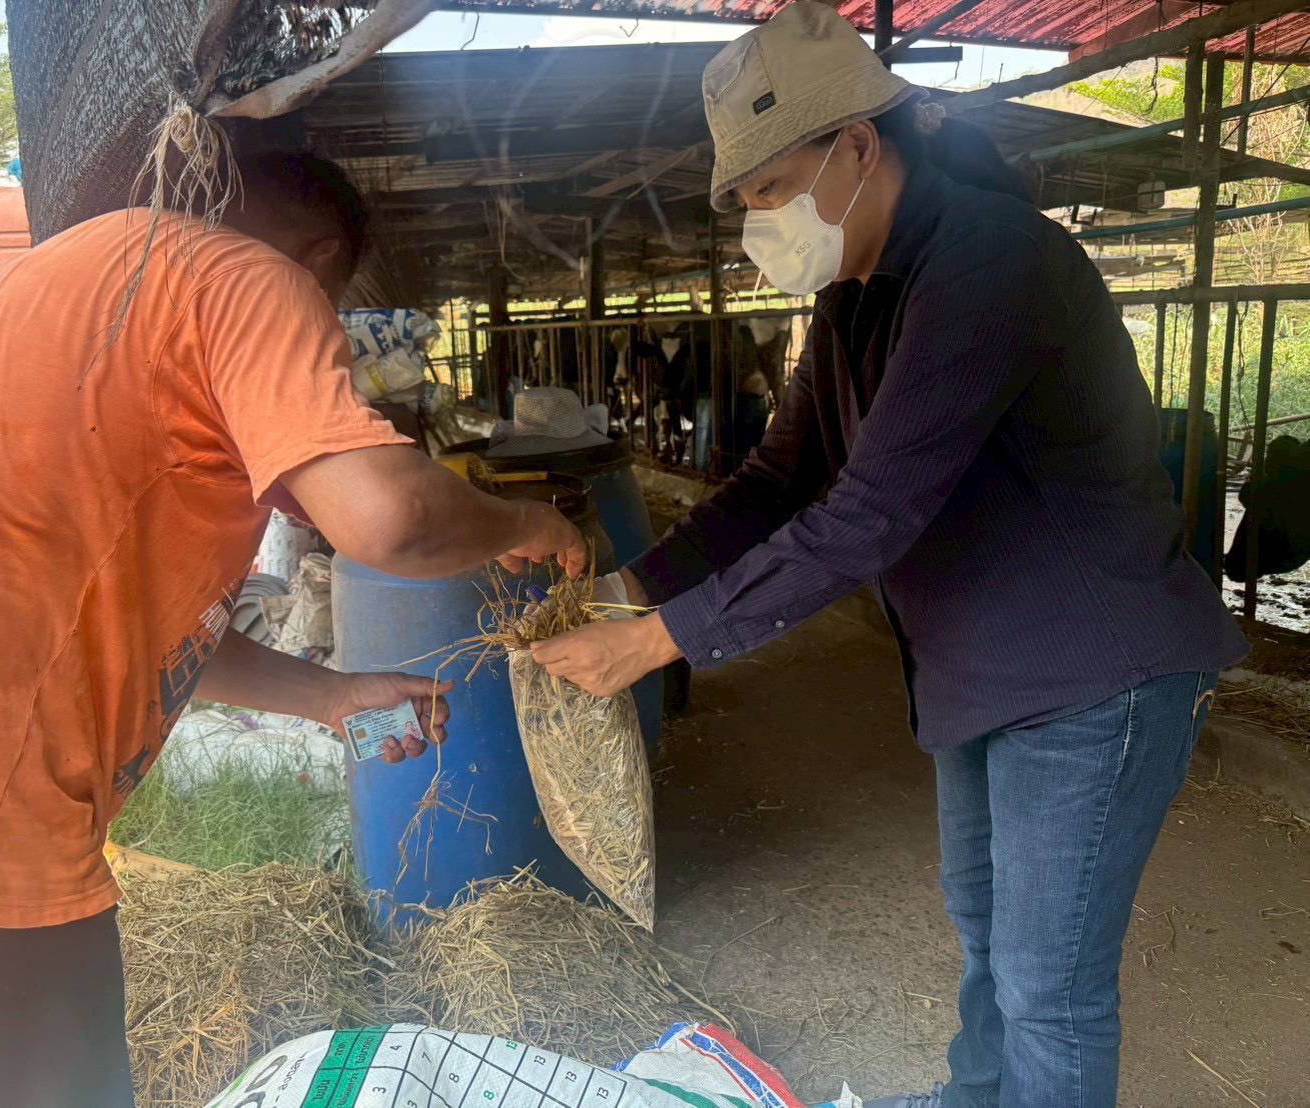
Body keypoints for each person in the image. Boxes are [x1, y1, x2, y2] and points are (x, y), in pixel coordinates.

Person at [529, 6, 1246, 1106]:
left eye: (771, 189)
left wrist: (657, 641)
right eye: (747, 202)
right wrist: (630, 589)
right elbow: (777, 481)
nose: (760, 224)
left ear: (858, 148)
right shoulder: (854, 301)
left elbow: (865, 514)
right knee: (985, 934)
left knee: (1047, 985)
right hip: (977, 669)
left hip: (1091, 673)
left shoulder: (990, 263)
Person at [0, 149, 586, 1105]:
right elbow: (388, 517)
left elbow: (129, 620)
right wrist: (523, 522)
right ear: (317, 263)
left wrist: (332, 696)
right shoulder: (235, 272)